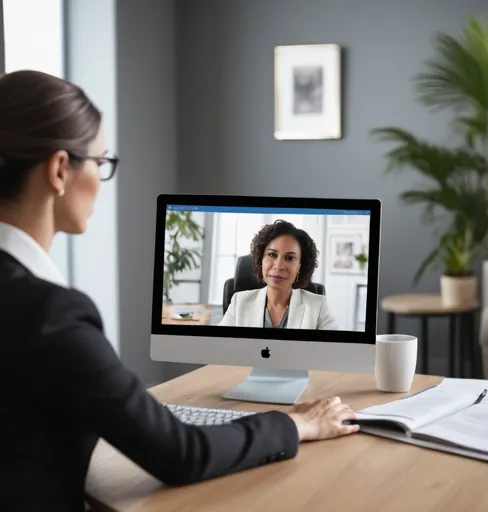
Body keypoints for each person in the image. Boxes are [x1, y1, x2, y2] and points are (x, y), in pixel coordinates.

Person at [0, 70, 359, 512]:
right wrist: (296, 425)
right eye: (100, 162)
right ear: (59, 169)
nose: (100, 178)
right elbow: (181, 453)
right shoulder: (49, 314)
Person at [219, 220, 338, 329]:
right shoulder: (239, 302)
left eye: (290, 258)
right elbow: (219, 345)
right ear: (261, 259)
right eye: (272, 255)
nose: (278, 266)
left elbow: (335, 349)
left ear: (300, 266)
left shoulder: (318, 307)